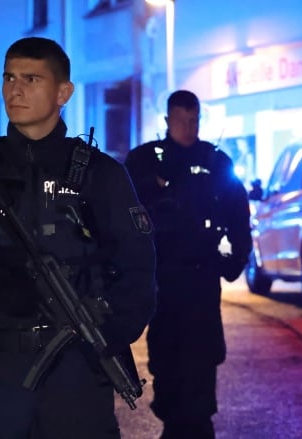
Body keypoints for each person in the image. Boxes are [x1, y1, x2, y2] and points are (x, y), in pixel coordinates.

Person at [0, 37, 156, 438]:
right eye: (9, 77)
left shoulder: (100, 174)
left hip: (77, 368)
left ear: (63, 93)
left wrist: (110, 333)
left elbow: (138, 266)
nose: (14, 89)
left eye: (31, 78)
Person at [124, 90, 252, 439]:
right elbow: (120, 217)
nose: (187, 127)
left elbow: (238, 213)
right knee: (166, 358)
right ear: (168, 121)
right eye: (181, 120)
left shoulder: (215, 161)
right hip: (162, 281)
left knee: (202, 358)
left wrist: (236, 258)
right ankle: (175, 421)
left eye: (193, 120)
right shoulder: (144, 162)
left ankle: (195, 424)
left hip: (201, 277)